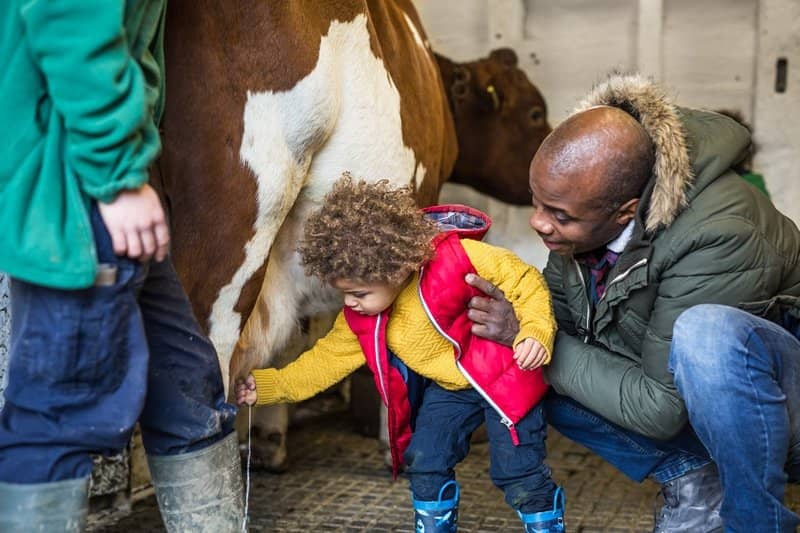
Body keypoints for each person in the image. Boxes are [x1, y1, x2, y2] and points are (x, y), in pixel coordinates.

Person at [465, 74, 800, 532]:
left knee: (707, 333)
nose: (540, 225)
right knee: (526, 369)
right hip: (678, 388)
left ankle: (756, 522)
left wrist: (524, 336)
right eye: (536, 203)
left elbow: (660, 408)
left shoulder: (721, 230)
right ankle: (696, 482)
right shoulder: (584, 210)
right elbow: (561, 320)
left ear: (625, 211)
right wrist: (514, 318)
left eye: (559, 215)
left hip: (781, 408)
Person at [0, 3, 243, 531]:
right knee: (55, 411)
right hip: (74, 184)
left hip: (108, 176)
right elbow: (67, 18)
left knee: (187, 385)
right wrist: (117, 176)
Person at [235, 174, 565, 532]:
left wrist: (535, 330)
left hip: (505, 378)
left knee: (517, 471)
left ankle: (545, 520)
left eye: (359, 293)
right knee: (424, 459)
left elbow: (524, 280)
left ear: (397, 269)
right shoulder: (363, 318)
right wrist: (267, 386)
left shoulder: (459, 258)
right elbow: (323, 363)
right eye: (343, 293)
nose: (349, 303)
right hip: (450, 387)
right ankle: (435, 524)